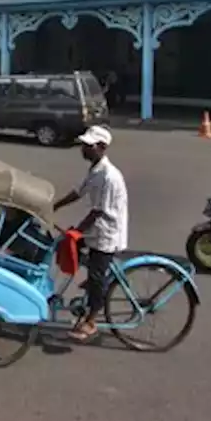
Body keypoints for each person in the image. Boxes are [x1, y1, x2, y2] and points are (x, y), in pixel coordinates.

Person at [52, 125, 128, 343]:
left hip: (107, 233)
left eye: (88, 146)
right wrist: (54, 206)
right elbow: (78, 192)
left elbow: (98, 211)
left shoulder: (109, 176)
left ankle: (92, 320)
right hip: (97, 229)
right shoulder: (95, 169)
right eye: (83, 145)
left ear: (102, 147)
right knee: (68, 247)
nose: (83, 149)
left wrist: (77, 231)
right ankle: (93, 285)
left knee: (96, 277)